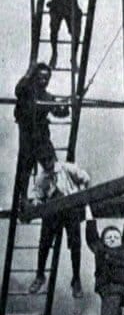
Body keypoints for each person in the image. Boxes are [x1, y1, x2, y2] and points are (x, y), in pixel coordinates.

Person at [27, 154, 90, 297]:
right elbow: (37, 195)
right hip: (53, 211)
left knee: (75, 243)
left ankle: (76, 279)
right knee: (44, 242)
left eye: (48, 160)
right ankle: (40, 274)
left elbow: (85, 178)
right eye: (43, 162)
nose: (47, 164)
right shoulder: (42, 178)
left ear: (54, 159)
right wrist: (37, 202)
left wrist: (80, 192)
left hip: (70, 207)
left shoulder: (67, 168)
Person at [13, 63, 69, 208]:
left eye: (46, 78)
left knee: (53, 167)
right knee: (25, 170)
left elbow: (59, 112)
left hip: (42, 138)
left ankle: (53, 195)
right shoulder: (26, 91)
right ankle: (23, 200)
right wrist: (28, 73)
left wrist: (67, 106)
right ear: (35, 78)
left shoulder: (48, 97)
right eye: (40, 78)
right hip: (27, 138)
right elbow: (18, 89)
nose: (44, 81)